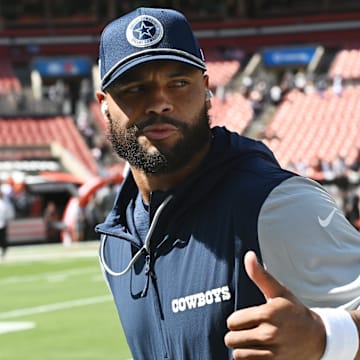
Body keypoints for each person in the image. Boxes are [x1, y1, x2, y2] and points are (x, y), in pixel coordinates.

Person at [95, 7, 360, 359]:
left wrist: (327, 338)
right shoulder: (117, 241)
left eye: (178, 83)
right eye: (135, 88)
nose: (159, 102)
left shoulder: (275, 204)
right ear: (103, 105)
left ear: (206, 89)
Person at [0, 189, 15, 258]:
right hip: (3, 223)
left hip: (3, 223)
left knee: (3, 239)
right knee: (3, 239)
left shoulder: (5, 203)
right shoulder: (5, 203)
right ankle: (4, 251)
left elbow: (9, 215)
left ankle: (4, 252)